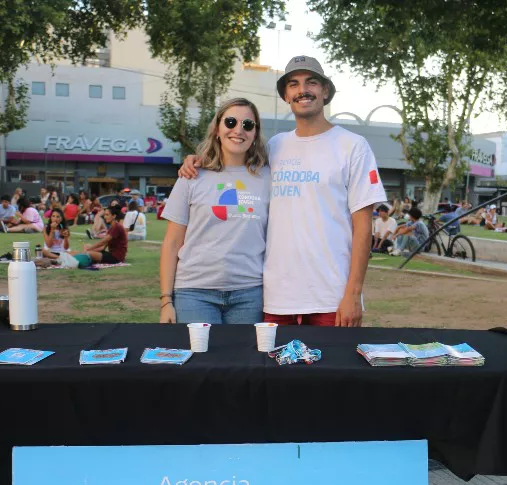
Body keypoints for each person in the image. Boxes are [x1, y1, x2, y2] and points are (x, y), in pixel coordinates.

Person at [180, 55, 386, 327]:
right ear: (286, 95)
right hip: (277, 298)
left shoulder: (353, 146)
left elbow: (363, 227)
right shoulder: (275, 147)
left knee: (331, 370)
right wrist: (198, 160)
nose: (303, 90)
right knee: (272, 369)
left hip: (331, 298)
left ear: (325, 91)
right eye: (294, 84)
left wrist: (353, 293)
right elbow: (233, 159)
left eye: (311, 82)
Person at [160, 98, 270, 325]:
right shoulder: (191, 176)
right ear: (218, 129)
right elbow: (172, 243)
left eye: (248, 125)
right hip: (194, 292)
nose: (238, 130)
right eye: (231, 122)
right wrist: (165, 300)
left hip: (249, 293)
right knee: (200, 359)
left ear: (255, 133)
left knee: (243, 361)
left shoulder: (269, 177)